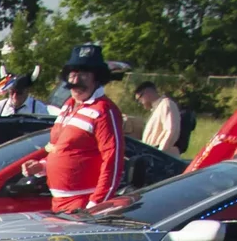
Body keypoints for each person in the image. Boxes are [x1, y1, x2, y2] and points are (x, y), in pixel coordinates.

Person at [46, 43, 125, 214]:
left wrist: (96, 204)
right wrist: (42, 166)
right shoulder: (68, 105)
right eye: (72, 74)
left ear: (97, 78)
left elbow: (112, 159)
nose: (75, 81)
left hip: (82, 206)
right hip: (59, 204)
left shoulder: (104, 110)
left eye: (83, 75)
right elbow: (63, 149)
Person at [134, 80, 183, 151]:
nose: (140, 103)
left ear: (147, 93)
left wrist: (160, 153)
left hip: (162, 157)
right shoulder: (158, 108)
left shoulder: (166, 104)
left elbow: (171, 131)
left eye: (139, 99)